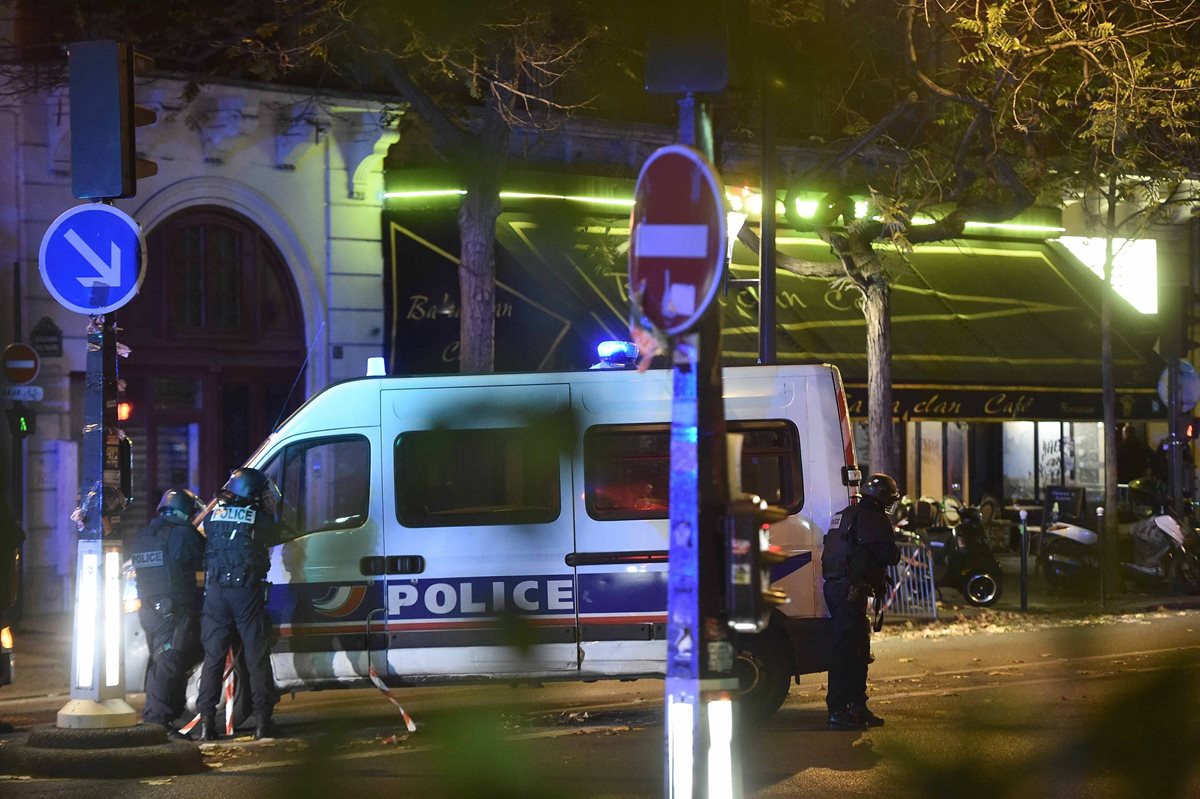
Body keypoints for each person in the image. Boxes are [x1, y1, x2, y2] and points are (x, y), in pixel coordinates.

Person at [195, 467, 283, 741]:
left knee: (214, 659)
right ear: (250, 492)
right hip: (245, 592)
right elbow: (277, 534)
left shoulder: (213, 516)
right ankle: (262, 723)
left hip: (216, 593)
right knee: (256, 655)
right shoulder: (257, 518)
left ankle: (207, 724)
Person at [822, 473, 901, 731]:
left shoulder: (845, 515)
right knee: (848, 652)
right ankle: (838, 710)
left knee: (855, 649)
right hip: (850, 591)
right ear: (882, 499)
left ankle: (856, 705)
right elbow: (891, 555)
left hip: (837, 588)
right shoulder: (875, 520)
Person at [129, 487, 206, 738]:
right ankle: (158, 723)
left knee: (164, 661)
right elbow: (204, 557)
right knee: (170, 662)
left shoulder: (144, 535)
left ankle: (165, 719)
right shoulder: (182, 534)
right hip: (173, 609)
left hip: (150, 610)